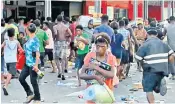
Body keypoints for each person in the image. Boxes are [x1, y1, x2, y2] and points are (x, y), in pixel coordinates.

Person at [135, 27, 174, 104]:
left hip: (150, 71)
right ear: (156, 34)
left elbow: (137, 58)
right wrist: (168, 66)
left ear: (147, 34)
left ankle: (152, 102)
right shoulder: (163, 43)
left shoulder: (145, 45)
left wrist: (143, 63)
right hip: (162, 71)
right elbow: (172, 55)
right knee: (156, 81)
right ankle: (159, 84)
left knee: (149, 89)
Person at [79, 33, 116, 103]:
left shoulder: (111, 58)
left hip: (106, 92)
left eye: (103, 47)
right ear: (95, 46)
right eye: (98, 46)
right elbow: (81, 75)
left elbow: (111, 75)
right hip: (92, 92)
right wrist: (95, 77)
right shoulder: (90, 56)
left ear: (107, 47)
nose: (100, 49)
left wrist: (97, 68)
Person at [19, 23, 41, 103]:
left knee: (33, 81)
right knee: (21, 78)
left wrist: (36, 65)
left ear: (28, 30)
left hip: (33, 64)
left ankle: (37, 98)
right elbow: (28, 50)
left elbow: (37, 54)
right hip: (27, 63)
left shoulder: (35, 40)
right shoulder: (28, 39)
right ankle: (30, 93)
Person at [1, 28, 23, 95]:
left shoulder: (6, 41)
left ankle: (6, 80)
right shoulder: (16, 42)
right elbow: (21, 50)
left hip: (6, 59)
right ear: (14, 34)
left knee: (9, 72)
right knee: (11, 73)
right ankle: (5, 86)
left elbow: (1, 47)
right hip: (13, 60)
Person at [53, 15, 72, 80]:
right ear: (62, 19)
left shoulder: (55, 26)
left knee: (56, 58)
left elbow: (55, 34)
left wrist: (54, 38)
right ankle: (63, 73)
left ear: (56, 20)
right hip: (64, 42)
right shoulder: (66, 27)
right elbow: (70, 34)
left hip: (58, 43)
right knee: (63, 58)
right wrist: (66, 37)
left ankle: (59, 71)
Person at [164, 16, 175, 80]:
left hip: (170, 48)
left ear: (169, 20)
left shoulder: (166, 27)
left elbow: (163, 35)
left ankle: (173, 74)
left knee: (172, 61)